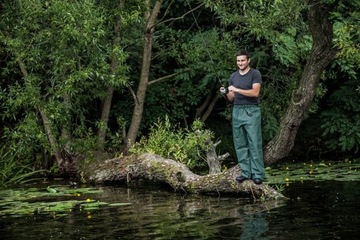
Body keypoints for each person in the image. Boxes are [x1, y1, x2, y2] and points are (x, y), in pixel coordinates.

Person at [220, 49, 265, 185]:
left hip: (251, 111)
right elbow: (231, 98)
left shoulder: (255, 74)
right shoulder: (233, 76)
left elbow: (255, 93)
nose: (240, 63)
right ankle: (246, 172)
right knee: (240, 143)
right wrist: (225, 92)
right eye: (238, 61)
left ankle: (258, 174)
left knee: (254, 143)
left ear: (248, 60)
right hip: (237, 110)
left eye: (243, 60)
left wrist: (237, 89)